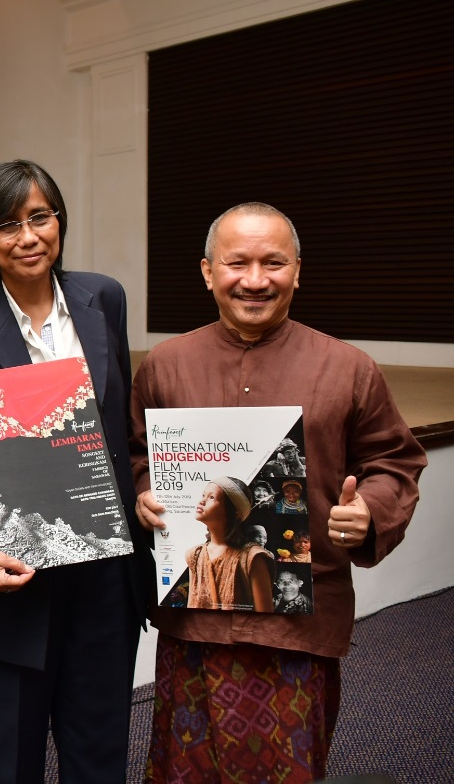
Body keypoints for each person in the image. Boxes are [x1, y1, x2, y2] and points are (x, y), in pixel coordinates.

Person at [132, 202, 425, 782]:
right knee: (185, 765)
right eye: (237, 262)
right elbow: (139, 453)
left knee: (288, 764)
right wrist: (145, 492)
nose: (255, 279)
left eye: (274, 263)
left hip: (299, 622)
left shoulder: (348, 368)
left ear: (298, 270)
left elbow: (394, 460)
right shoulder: (165, 366)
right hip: (196, 618)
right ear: (208, 271)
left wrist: (369, 510)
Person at [0, 160, 154, 783]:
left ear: (59, 221)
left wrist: (146, 482)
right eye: (6, 224)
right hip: (10, 579)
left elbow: (118, 423)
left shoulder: (103, 298)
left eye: (40, 217)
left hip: (104, 576)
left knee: (100, 756)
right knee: (11, 763)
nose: (27, 237)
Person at [184, 478, 273, 612]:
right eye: (203, 495)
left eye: (212, 497)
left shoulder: (252, 558)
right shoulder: (194, 555)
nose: (202, 501)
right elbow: (192, 606)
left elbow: (265, 616)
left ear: (235, 512)